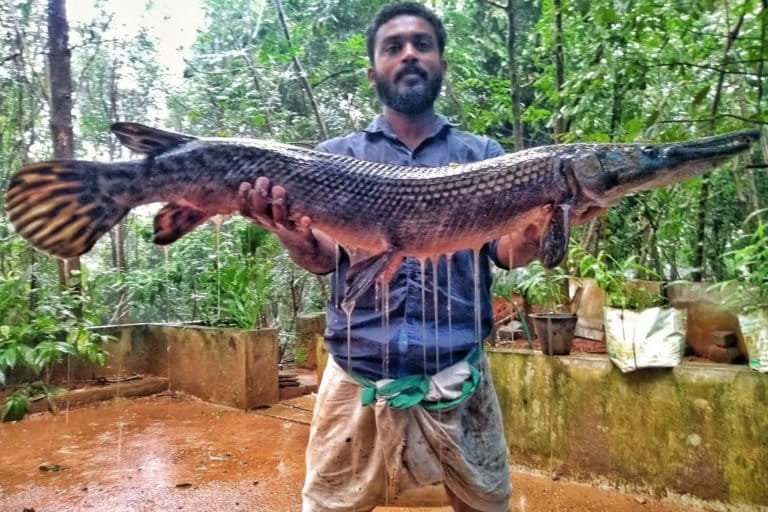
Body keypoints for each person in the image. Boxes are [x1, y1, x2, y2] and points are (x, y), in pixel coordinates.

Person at [237, 3, 595, 510]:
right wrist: (288, 232)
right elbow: (324, 258)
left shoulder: (485, 157)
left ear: (441, 65)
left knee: (485, 503)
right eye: (393, 46)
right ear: (373, 71)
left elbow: (507, 253)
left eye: (422, 45)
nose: (409, 54)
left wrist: (537, 229)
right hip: (355, 372)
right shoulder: (334, 158)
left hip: (458, 374)